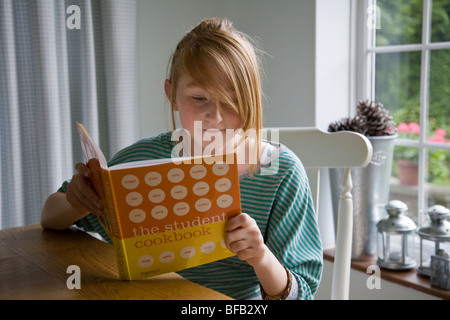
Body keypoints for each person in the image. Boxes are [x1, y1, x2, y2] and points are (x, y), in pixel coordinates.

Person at [41, 18, 323, 300]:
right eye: (199, 98)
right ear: (172, 95)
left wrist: (261, 257)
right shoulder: (140, 161)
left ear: (251, 98)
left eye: (231, 100)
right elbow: (49, 218)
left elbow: (302, 293)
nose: (215, 116)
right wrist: (77, 200)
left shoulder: (281, 173)